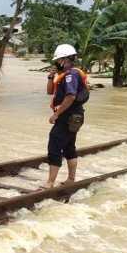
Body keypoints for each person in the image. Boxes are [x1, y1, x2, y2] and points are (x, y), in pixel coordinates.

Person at [44, 43, 90, 188]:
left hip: (67, 116)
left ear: (65, 59)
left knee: (54, 145)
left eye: (58, 60)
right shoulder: (64, 75)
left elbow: (70, 96)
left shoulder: (71, 75)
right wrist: (50, 77)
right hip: (74, 116)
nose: (56, 63)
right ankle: (71, 179)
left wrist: (56, 115)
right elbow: (49, 92)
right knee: (69, 147)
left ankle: (50, 183)